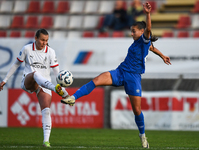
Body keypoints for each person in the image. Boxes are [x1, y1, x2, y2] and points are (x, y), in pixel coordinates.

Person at [61, 2, 171, 148]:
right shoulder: (141, 42)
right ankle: (73, 98)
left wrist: (148, 14)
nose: (131, 33)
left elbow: (149, 31)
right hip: (120, 71)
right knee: (97, 79)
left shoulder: (144, 38)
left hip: (133, 77)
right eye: (131, 31)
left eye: (134, 31)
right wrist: (162, 55)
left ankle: (142, 136)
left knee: (136, 110)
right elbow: (152, 47)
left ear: (142, 31)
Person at [0, 29, 68, 148]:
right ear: (35, 38)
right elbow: (16, 64)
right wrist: (5, 80)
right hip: (29, 80)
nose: (44, 43)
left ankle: (46, 141)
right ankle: (54, 88)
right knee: (36, 74)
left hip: (44, 84)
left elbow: (57, 72)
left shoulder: (51, 52)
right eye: (42, 40)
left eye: (46, 40)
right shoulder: (27, 49)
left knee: (46, 111)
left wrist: (63, 88)